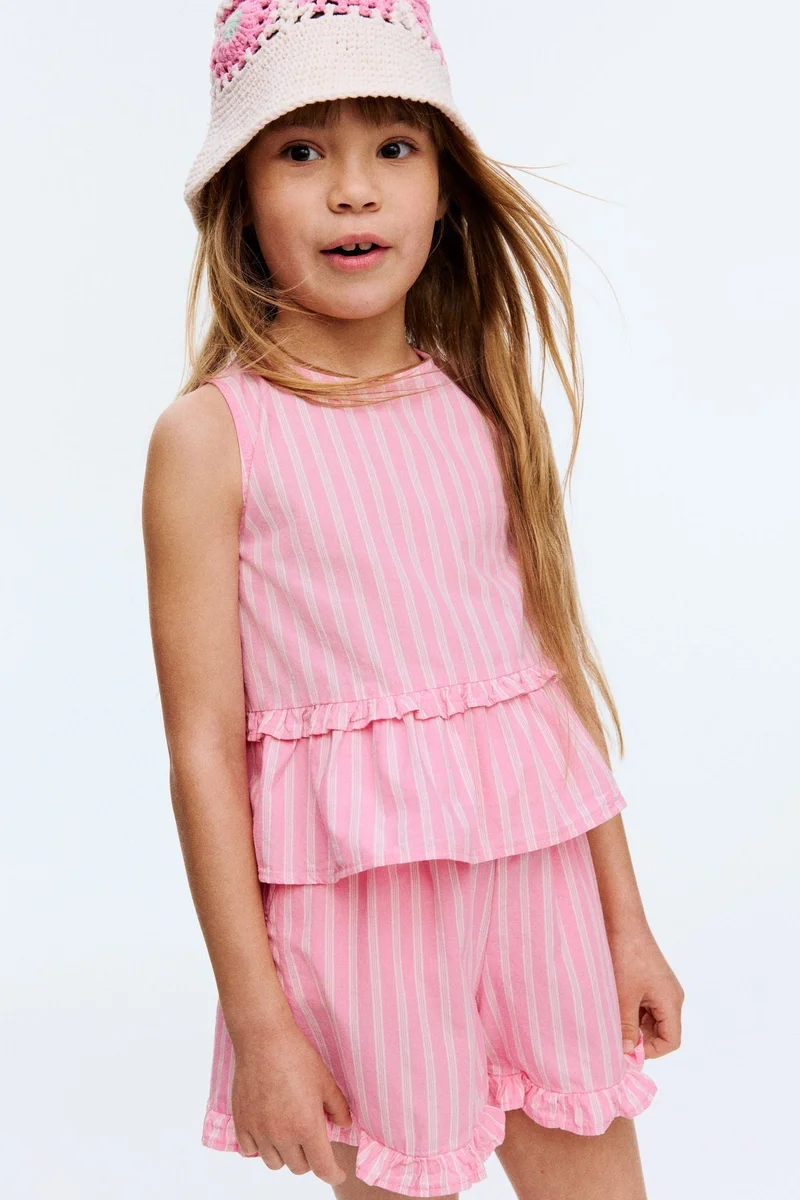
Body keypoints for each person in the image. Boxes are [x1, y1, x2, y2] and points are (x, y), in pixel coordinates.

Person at [142, 3, 683, 1197]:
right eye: (300, 150)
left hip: (536, 895)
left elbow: (541, 683)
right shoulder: (212, 437)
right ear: (240, 194)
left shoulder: (477, 406)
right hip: (357, 928)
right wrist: (259, 1023)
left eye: (393, 146)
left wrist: (623, 922)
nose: (353, 190)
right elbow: (200, 752)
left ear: (442, 189)